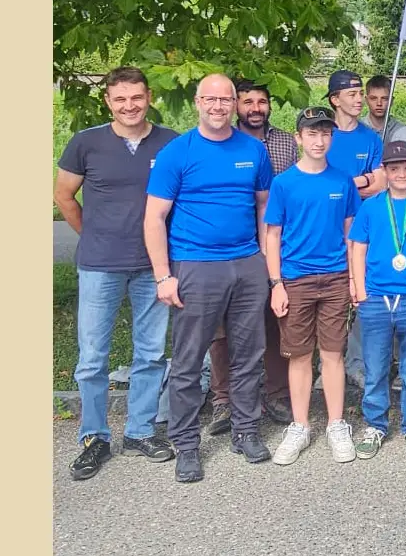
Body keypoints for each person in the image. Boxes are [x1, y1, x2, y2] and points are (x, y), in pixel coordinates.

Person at [144, 73, 274, 483]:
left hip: (247, 264)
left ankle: (246, 430)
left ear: (235, 104)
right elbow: (154, 218)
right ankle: (186, 444)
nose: (218, 106)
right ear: (198, 102)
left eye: (225, 100)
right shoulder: (176, 153)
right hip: (195, 266)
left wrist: (264, 261)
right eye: (210, 99)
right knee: (188, 360)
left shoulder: (253, 150)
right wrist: (163, 276)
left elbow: (263, 207)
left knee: (249, 354)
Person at [55, 66, 180, 480]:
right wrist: (92, 233)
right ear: (108, 101)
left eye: (137, 97)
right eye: (121, 99)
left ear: (149, 98)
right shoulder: (85, 143)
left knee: (150, 353)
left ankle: (140, 431)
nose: (130, 106)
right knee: (92, 358)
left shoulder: (170, 143)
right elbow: (63, 195)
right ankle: (94, 437)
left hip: (153, 266)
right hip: (99, 265)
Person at [260, 107, 362, 466]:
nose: (319, 141)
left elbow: (351, 234)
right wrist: (276, 284)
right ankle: (300, 425)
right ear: (299, 137)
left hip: (335, 278)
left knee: (333, 353)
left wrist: (353, 279)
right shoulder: (284, 183)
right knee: (300, 355)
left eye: (325, 134)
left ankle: (336, 424)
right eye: (312, 134)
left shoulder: (343, 181)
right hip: (295, 279)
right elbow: (272, 236)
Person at [203, 80, 299, 432]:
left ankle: (277, 394)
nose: (255, 108)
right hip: (230, 246)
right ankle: (223, 400)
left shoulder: (286, 142)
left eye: (262, 101)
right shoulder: (221, 142)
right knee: (223, 327)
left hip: (278, 244)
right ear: (236, 106)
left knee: (275, 321)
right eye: (248, 102)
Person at [346, 140, 406, 461]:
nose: (401, 173)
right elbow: (358, 249)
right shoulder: (371, 207)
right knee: (375, 368)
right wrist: (361, 291)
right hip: (376, 298)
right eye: (394, 168)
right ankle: (376, 424)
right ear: (384, 171)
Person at [325, 69, 387, 389]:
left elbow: (380, 184)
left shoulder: (370, 138)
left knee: (363, 293)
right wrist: (361, 180)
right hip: (326, 229)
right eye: (352, 94)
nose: (359, 99)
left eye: (360, 93)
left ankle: (357, 363)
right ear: (335, 99)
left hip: (364, 231)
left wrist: (346, 183)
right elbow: (318, 182)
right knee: (332, 297)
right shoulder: (323, 135)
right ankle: (329, 363)